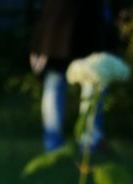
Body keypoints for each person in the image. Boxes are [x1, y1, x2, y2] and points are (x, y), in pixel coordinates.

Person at [30, 0, 115, 152]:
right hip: (85, 23)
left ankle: (55, 144)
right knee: (92, 81)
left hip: (57, 26)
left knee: (57, 82)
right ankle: (89, 140)